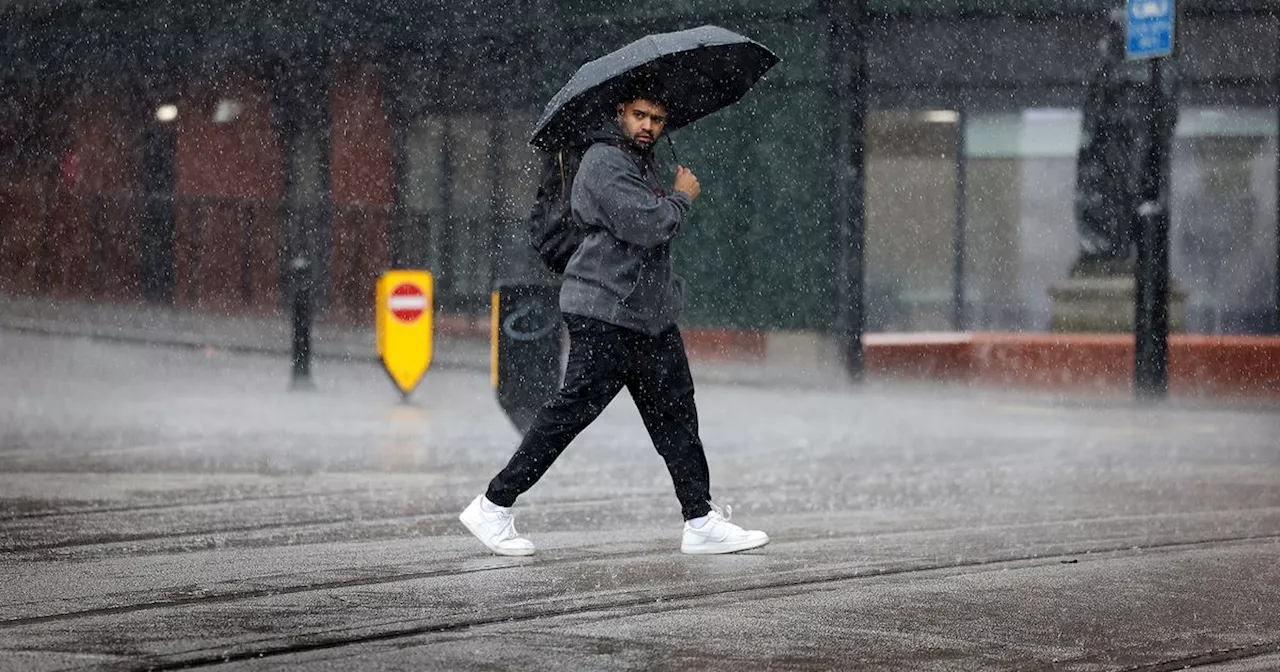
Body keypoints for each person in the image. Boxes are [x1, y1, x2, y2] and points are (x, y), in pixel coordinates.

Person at [460, 81, 768, 557]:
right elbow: (648, 225)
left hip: (649, 317)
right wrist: (682, 197)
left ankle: (701, 518)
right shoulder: (603, 161)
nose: (649, 126)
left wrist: (669, 199)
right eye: (640, 115)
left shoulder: (639, 164)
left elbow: (649, 224)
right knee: (569, 414)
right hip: (606, 314)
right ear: (621, 112)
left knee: (677, 418)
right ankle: (493, 505)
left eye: (657, 119)